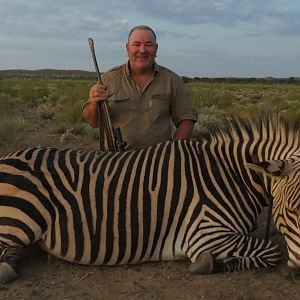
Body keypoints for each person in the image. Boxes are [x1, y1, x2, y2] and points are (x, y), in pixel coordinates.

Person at [83, 25, 197, 150]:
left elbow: (186, 120)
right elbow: (93, 123)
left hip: (158, 163)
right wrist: (93, 104)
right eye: (136, 44)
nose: (142, 50)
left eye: (149, 44)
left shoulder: (172, 80)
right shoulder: (108, 79)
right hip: (115, 162)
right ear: (127, 48)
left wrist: (172, 151)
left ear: (156, 49)